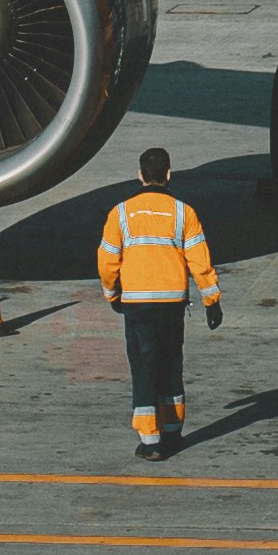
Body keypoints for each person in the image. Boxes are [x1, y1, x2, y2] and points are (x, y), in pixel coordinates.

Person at [96, 146, 222, 459]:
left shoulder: (120, 213)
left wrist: (112, 293)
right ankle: (172, 431)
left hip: (137, 304)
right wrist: (212, 300)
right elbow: (199, 260)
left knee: (143, 367)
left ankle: (150, 442)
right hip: (171, 303)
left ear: (140, 175)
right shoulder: (184, 212)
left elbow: (107, 261)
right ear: (168, 175)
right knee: (170, 364)